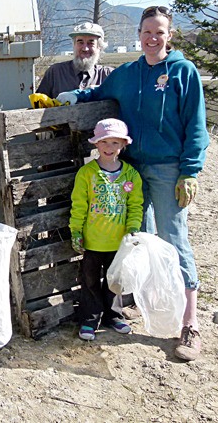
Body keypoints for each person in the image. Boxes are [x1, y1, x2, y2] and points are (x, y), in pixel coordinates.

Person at [59, 6, 210, 360]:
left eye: (159, 32)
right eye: (146, 32)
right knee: (136, 238)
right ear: (138, 35)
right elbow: (95, 94)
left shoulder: (183, 72)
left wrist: (190, 170)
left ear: (169, 35)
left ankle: (190, 324)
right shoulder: (127, 74)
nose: (152, 38)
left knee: (174, 240)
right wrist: (70, 98)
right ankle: (145, 301)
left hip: (168, 169)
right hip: (132, 170)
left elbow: (197, 125)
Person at [69, 118, 143, 341]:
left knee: (114, 281)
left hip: (118, 242)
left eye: (115, 143)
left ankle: (114, 315)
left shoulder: (131, 175)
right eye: (105, 142)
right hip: (92, 241)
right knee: (90, 281)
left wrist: (132, 229)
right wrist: (76, 232)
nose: (109, 148)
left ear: (123, 146)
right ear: (96, 144)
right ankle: (89, 320)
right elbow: (79, 204)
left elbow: (135, 205)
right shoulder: (87, 174)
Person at [36, 22, 113, 99]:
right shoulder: (55, 73)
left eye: (90, 43)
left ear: (99, 47)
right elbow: (38, 105)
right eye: (80, 42)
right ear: (74, 45)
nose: (85, 48)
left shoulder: (108, 75)